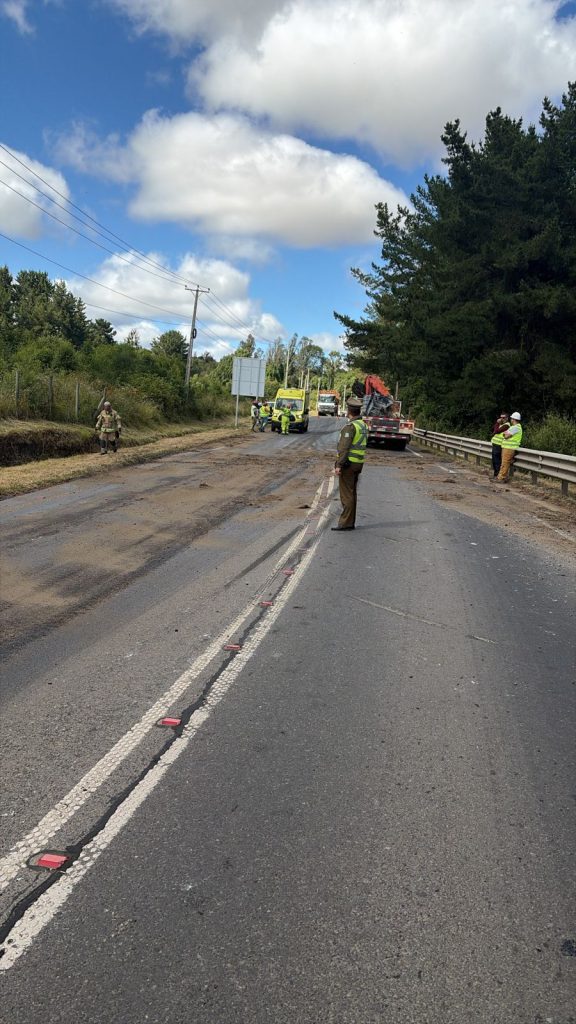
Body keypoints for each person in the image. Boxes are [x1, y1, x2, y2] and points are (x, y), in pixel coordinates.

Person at [332, 397, 367, 531]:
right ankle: (350, 522)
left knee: (346, 494)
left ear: (349, 411)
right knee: (352, 493)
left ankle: (345, 523)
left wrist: (338, 465)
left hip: (349, 464)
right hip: (358, 463)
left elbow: (344, 448)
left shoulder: (350, 427)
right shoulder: (363, 425)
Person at [496, 412, 523, 482]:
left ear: (513, 419)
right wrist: (505, 434)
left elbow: (506, 436)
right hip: (507, 447)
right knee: (504, 463)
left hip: (509, 448)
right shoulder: (513, 427)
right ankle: (501, 477)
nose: (511, 419)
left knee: (505, 463)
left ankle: (501, 478)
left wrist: (506, 434)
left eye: (511, 418)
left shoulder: (516, 427)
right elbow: (504, 435)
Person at [490, 412, 510, 479]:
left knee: (497, 461)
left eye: (503, 418)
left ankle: (497, 475)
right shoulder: (500, 424)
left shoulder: (507, 425)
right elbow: (492, 429)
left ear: (507, 418)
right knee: (494, 461)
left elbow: (497, 431)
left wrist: (498, 423)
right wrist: (497, 423)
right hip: (495, 444)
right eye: (501, 417)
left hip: (499, 445)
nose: (502, 419)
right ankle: (496, 475)